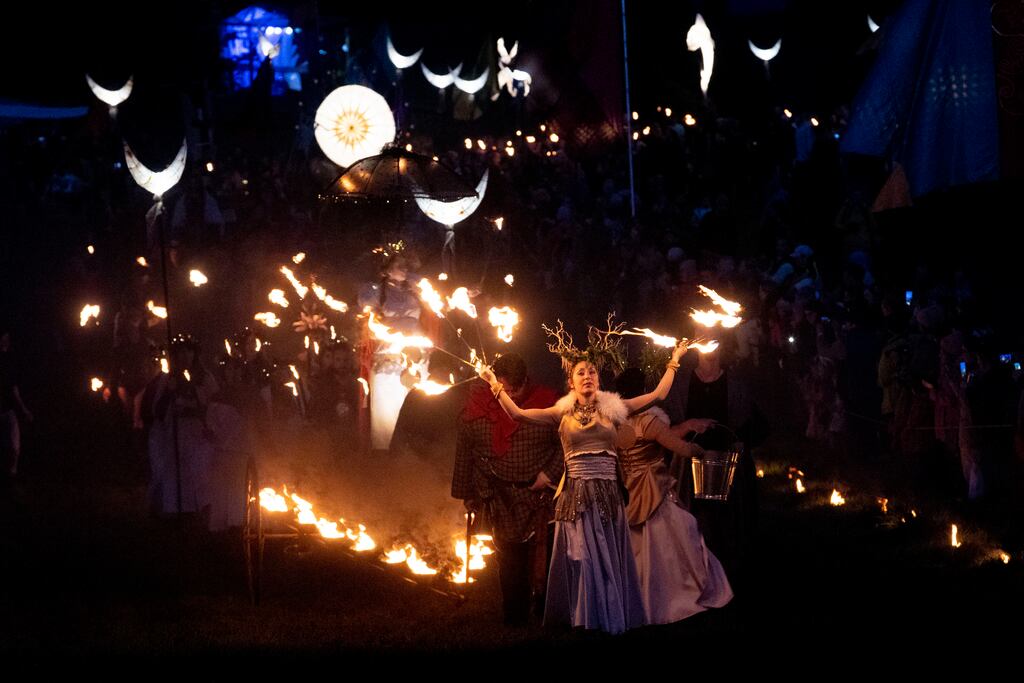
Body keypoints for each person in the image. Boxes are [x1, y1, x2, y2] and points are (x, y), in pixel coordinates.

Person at [478, 322, 687, 634]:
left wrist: (675, 358)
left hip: (607, 495)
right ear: (571, 381)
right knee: (581, 557)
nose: (587, 376)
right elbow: (519, 415)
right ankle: (583, 615)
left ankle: (609, 615)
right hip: (575, 495)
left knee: (607, 556)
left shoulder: (614, 409)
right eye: (580, 372)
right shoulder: (560, 413)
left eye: (591, 371)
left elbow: (658, 393)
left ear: (598, 379)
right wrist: (494, 383)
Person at [614, 368, 733, 625]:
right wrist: (698, 450)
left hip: (632, 490)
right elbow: (679, 447)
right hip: (656, 490)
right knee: (680, 537)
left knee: (640, 547)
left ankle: (639, 597)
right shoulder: (649, 422)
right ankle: (677, 594)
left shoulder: (616, 425)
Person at [452, 353, 562, 626]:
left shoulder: (550, 405)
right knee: (510, 561)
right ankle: (514, 617)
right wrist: (468, 493)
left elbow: (567, 446)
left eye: (515, 390)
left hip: (542, 496)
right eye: (502, 390)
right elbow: (465, 452)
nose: (508, 396)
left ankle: (547, 612)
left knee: (544, 558)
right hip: (500, 497)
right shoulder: (476, 408)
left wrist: (549, 474)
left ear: (527, 381)